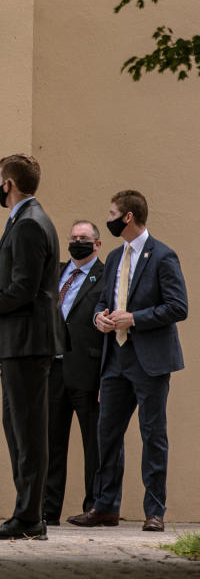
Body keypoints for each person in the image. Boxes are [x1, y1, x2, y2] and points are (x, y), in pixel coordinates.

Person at [67, 190, 187, 533]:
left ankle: (155, 511)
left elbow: (178, 307)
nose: (109, 218)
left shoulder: (163, 256)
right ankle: (105, 508)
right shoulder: (117, 256)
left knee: (153, 435)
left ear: (128, 217)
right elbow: (102, 301)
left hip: (150, 362)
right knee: (106, 434)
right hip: (115, 360)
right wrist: (99, 319)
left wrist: (133, 318)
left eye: (112, 213)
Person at [0, 154, 65, 540]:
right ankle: (27, 514)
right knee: (19, 428)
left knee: (27, 431)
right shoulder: (29, 219)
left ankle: (29, 519)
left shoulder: (28, 224)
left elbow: (25, 288)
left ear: (8, 184)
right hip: (21, 343)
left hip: (26, 343)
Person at [43, 221, 104, 526]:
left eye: (84, 238)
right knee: (51, 441)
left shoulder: (106, 277)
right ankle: (47, 509)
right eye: (74, 238)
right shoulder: (56, 272)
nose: (78, 242)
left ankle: (95, 506)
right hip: (53, 368)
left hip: (88, 370)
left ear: (97, 244)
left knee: (93, 443)